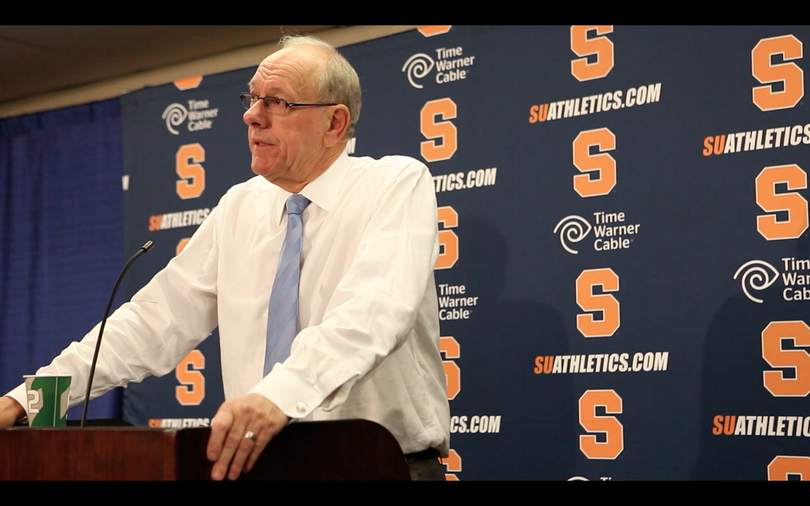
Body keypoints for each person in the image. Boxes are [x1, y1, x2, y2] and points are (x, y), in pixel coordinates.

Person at [0, 34, 450, 481]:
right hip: (260, 466)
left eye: (277, 102)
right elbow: (152, 321)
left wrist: (278, 396)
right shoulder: (240, 205)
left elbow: (372, 312)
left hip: (376, 466)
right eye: (253, 98)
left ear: (334, 123)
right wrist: (29, 399)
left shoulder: (394, 183)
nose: (252, 116)